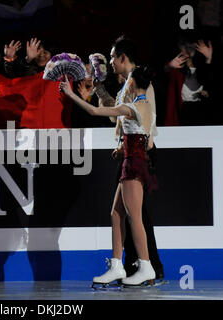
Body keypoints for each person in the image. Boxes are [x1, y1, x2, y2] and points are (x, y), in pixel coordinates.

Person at [60, 65, 158, 286]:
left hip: (133, 166)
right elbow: (143, 141)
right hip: (134, 161)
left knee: (135, 217)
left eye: (128, 80)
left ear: (131, 83)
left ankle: (146, 266)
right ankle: (116, 265)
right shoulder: (147, 107)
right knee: (116, 213)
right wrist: (123, 150)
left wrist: (70, 93)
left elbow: (94, 112)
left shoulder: (130, 108)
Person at [164, 36, 214, 126]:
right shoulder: (177, 67)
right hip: (184, 109)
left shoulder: (201, 66)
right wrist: (169, 66)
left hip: (200, 107)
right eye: (184, 47)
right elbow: (163, 74)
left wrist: (209, 58)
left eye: (190, 47)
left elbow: (209, 80)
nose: (187, 50)